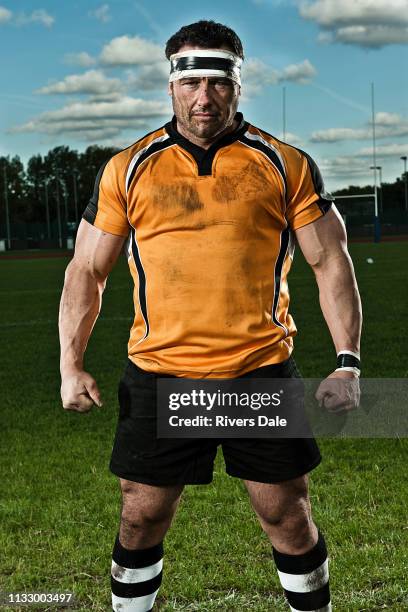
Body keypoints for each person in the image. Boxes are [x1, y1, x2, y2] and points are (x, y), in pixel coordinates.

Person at [59, 20, 362, 612]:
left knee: (286, 513)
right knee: (141, 514)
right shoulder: (128, 167)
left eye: (218, 83)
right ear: (171, 84)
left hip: (257, 372)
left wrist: (347, 363)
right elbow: (85, 271)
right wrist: (71, 364)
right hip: (161, 373)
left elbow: (330, 262)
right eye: (191, 81)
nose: (204, 98)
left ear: (238, 83)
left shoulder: (284, 164)